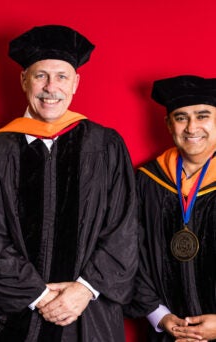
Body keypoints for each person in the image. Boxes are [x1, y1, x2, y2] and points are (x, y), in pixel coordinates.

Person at [0, 24, 138, 341]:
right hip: (21, 315)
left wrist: (85, 289)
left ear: (75, 83)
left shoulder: (105, 145)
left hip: (90, 316)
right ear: (23, 80)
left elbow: (124, 227)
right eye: (40, 75)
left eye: (61, 76)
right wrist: (38, 295)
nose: (51, 87)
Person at [125, 75, 216, 342]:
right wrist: (159, 315)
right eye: (180, 117)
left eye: (202, 116)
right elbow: (129, 253)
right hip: (166, 333)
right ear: (168, 124)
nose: (191, 127)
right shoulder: (147, 181)